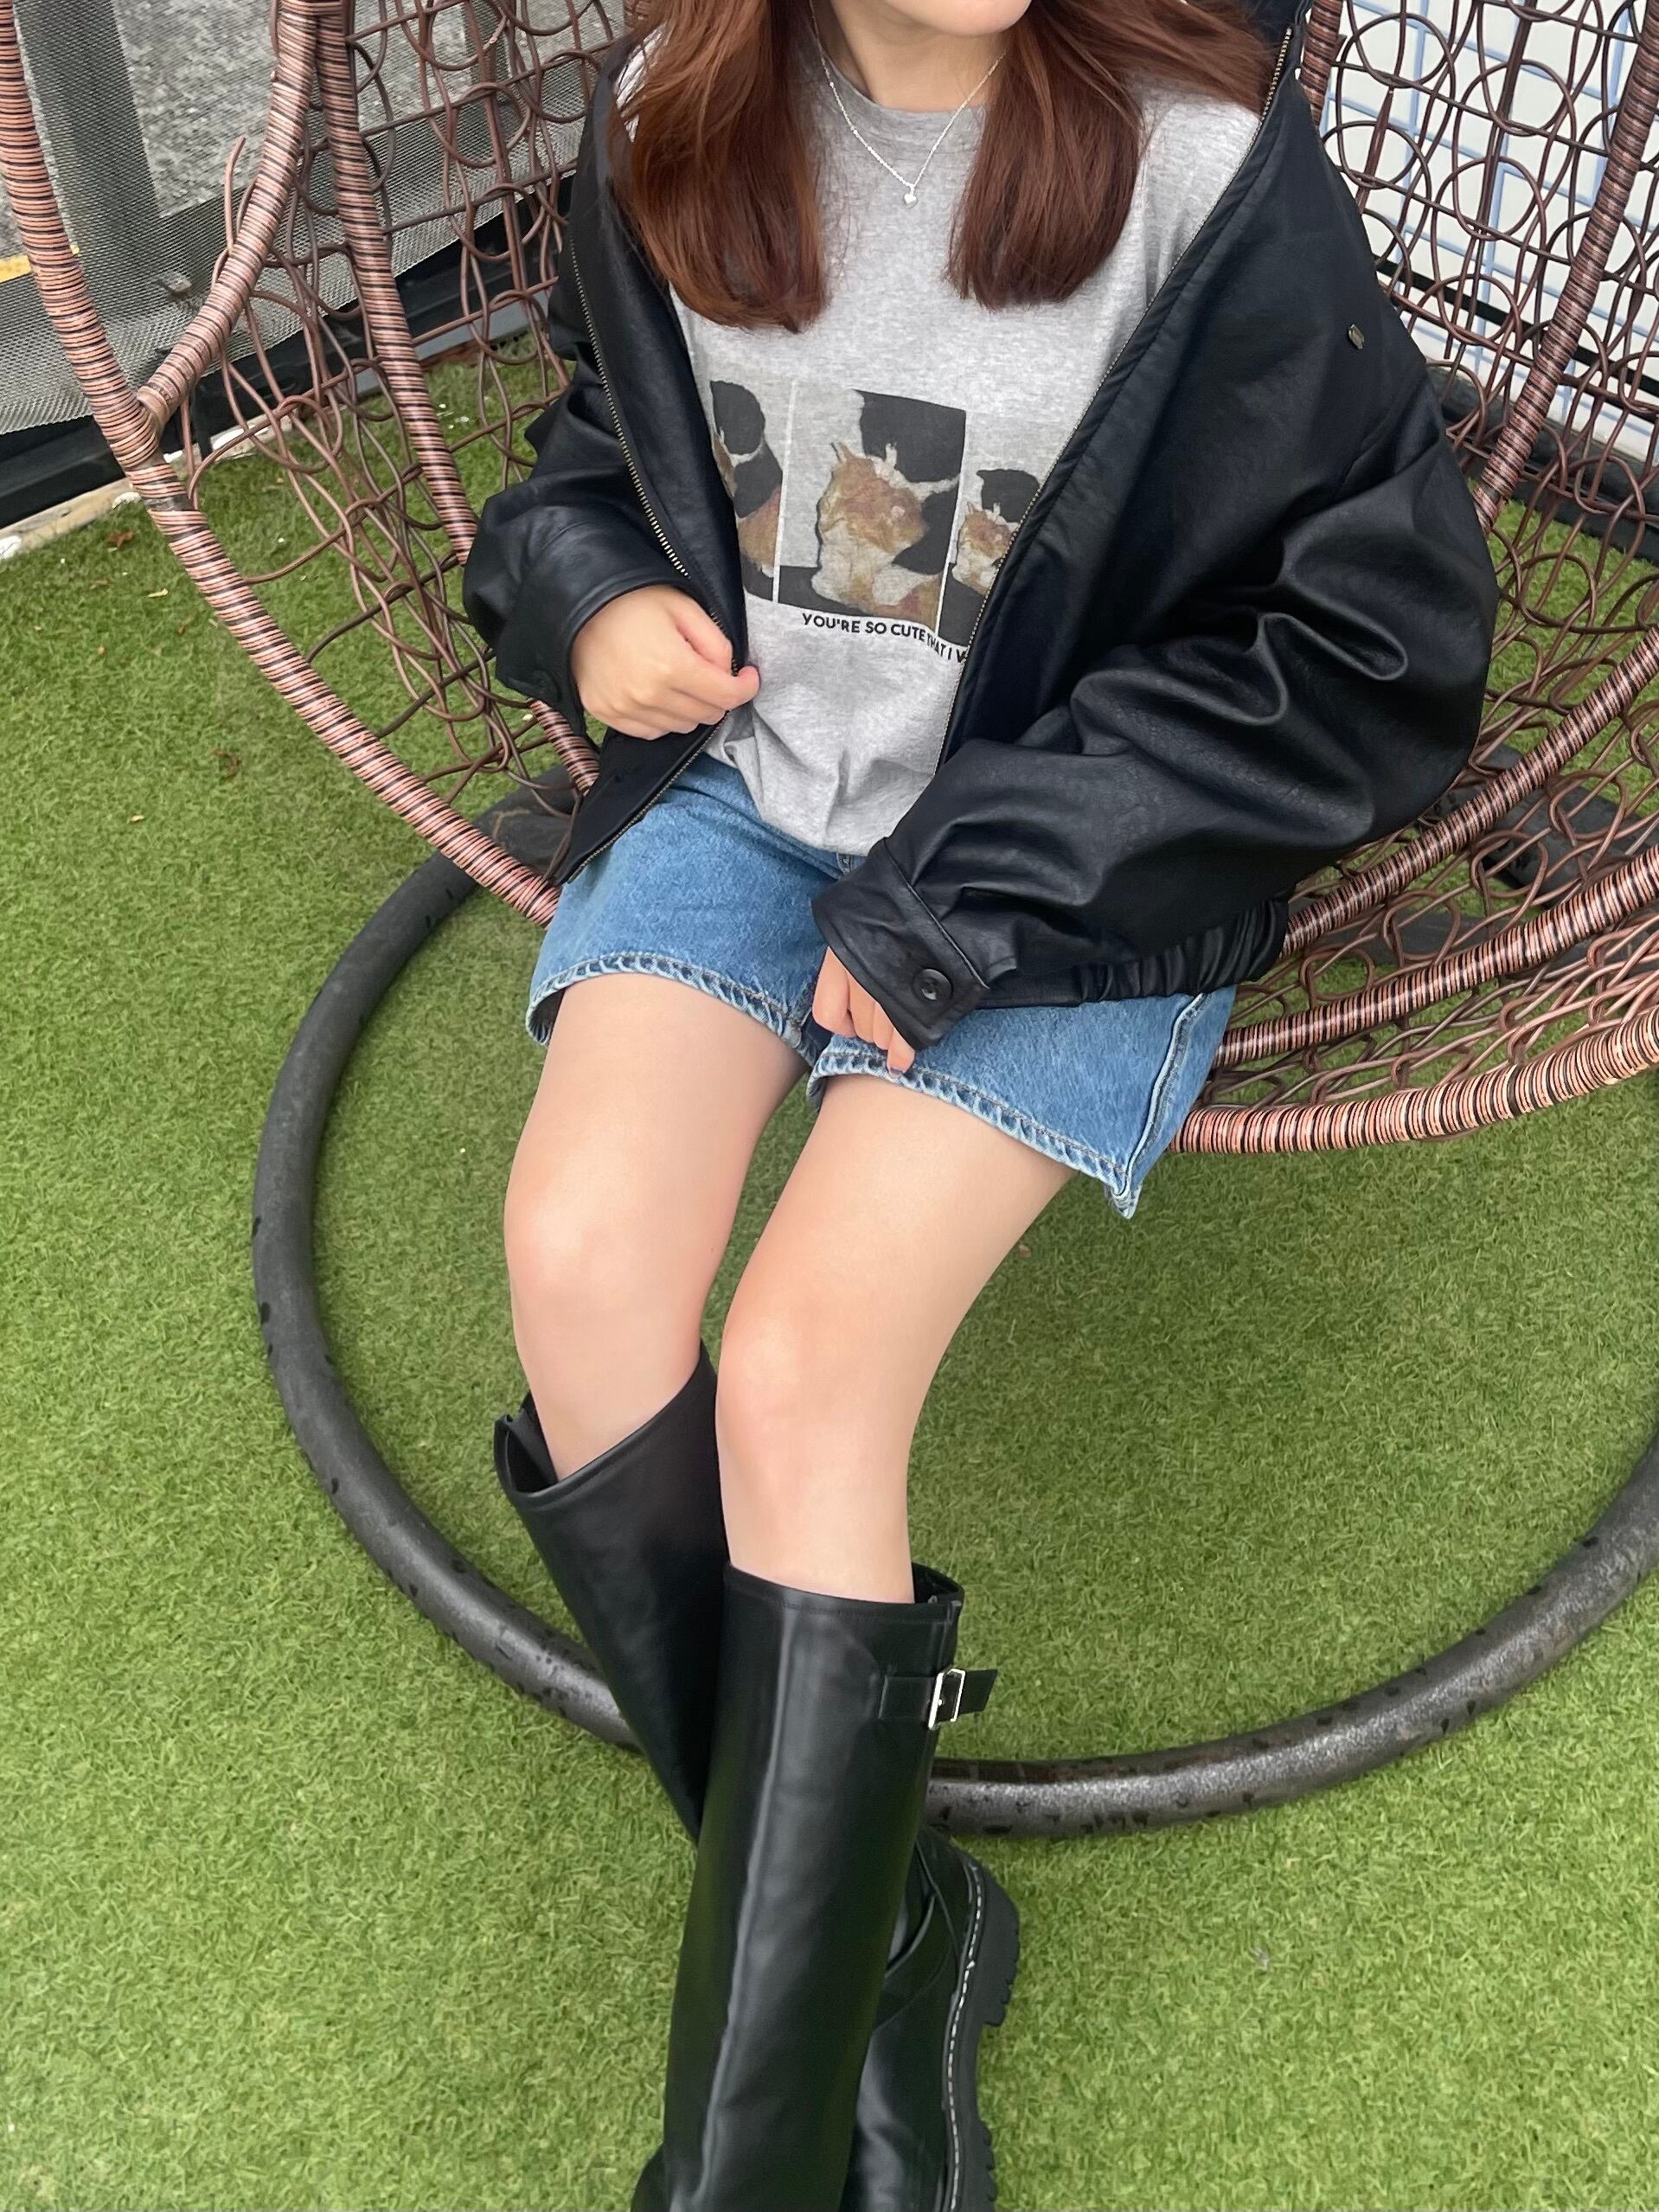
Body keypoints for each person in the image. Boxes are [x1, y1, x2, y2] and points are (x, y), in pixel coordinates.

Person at [463, 0, 1499, 2202]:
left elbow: (1371, 638)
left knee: (802, 1366)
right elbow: (593, 451)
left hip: (1072, 870)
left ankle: (740, 2169)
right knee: (577, 1256)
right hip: (749, 804)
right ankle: (895, 1931)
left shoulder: (1201, 169)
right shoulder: (670, 118)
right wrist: (590, 593)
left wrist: (977, 885)